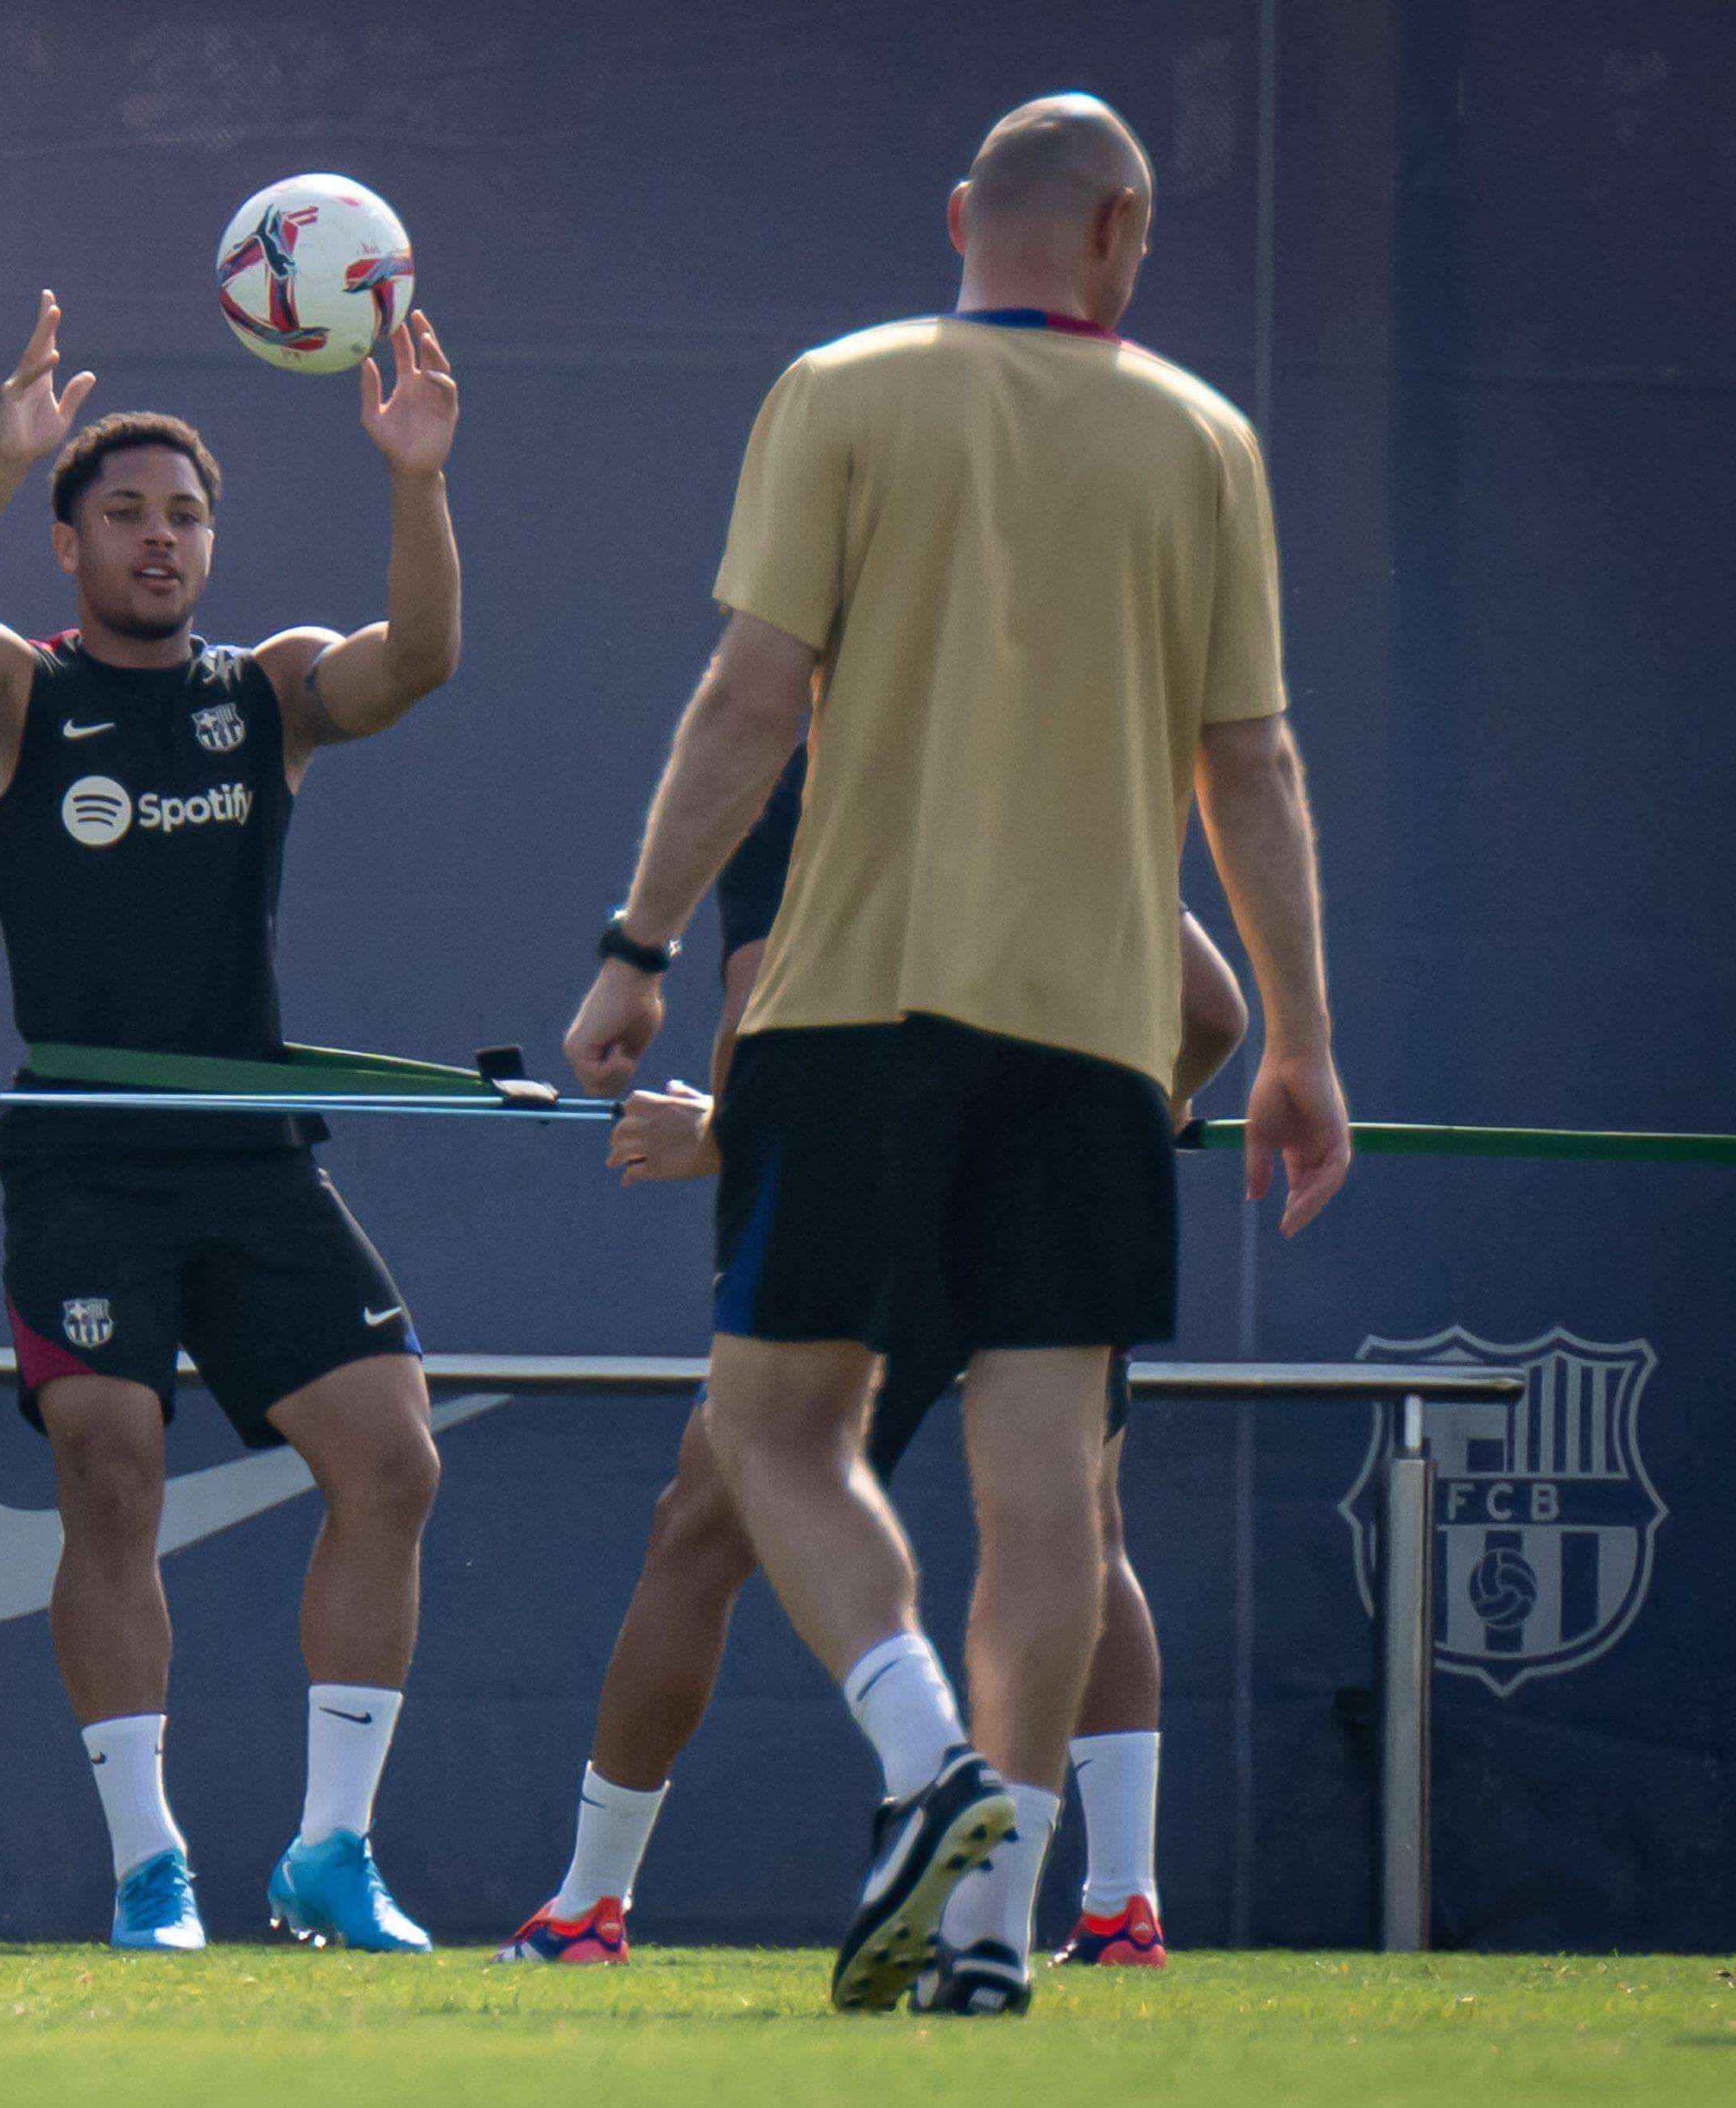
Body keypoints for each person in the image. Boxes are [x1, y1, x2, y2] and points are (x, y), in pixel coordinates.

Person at [557, 94, 1351, 2015]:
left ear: (954, 220)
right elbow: (1248, 764)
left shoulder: (838, 390)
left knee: (770, 1434)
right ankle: (988, 1932)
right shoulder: (1202, 436)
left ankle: (924, 1764)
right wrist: (1301, 1045)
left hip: (850, 1016)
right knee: (1045, 1489)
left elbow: (749, 695)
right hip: (1090, 1045)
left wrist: (635, 947)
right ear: (1120, 231)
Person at [0, 291, 460, 1953]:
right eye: (124, 511)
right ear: (68, 543)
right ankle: (150, 1869)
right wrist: (2, 460)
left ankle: (330, 1852)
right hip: (85, 1156)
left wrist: (416, 477)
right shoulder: (14, 690)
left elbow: (418, 661)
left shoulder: (266, 691)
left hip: (252, 1152)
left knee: (392, 1462)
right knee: (111, 1477)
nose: (158, 538)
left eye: (185, 515)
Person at [499, 740, 1247, 1972]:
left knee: (713, 1516)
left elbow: (761, 1016)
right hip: (1058, 1192)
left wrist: (717, 1135)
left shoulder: (798, 763)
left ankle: (594, 1903)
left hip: (871, 1199)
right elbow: (1212, 1012)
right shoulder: (1058, 750)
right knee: (1074, 1528)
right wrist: (1136, 1101)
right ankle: (1114, 1906)